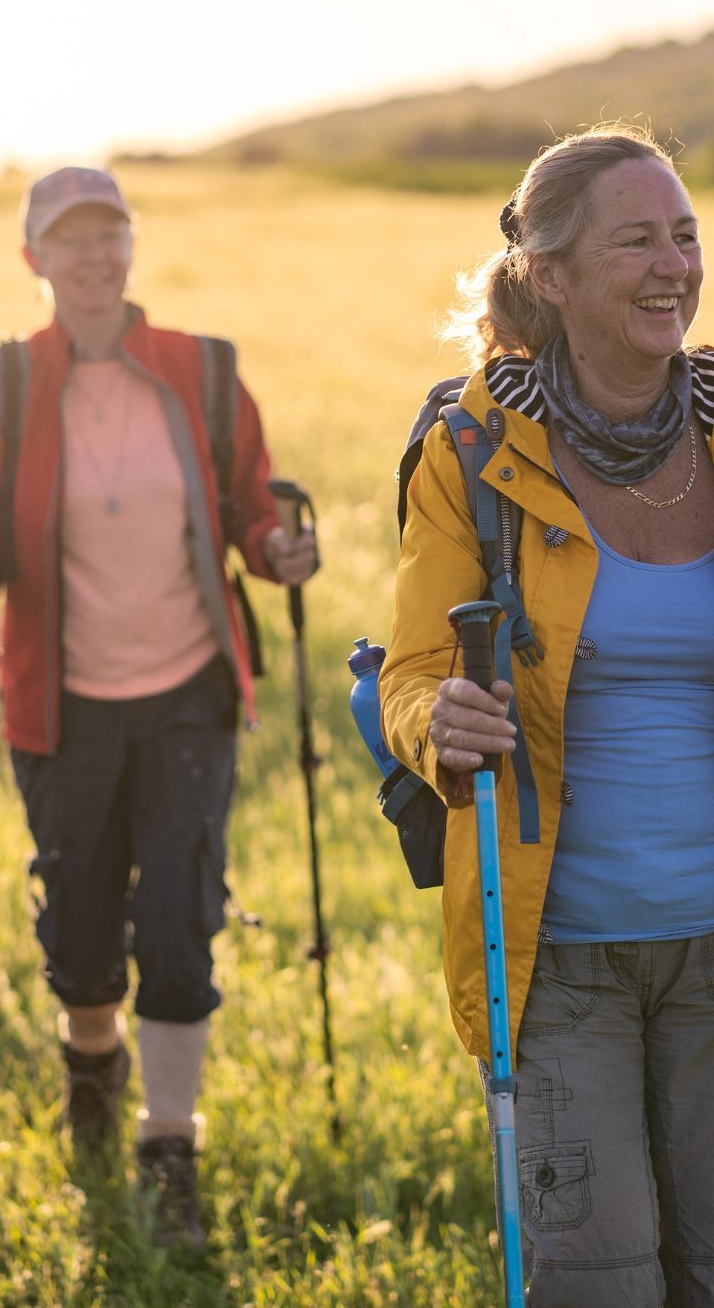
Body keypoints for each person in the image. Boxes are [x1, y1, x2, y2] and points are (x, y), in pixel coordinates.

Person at [0, 165, 317, 1248]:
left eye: (112, 236)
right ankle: (91, 1072)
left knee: (183, 921)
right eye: (69, 241)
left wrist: (278, 548)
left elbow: (252, 505)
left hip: (190, 688)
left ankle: (168, 1145)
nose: (94, 259)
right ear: (33, 260)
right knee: (83, 930)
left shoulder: (200, 369)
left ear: (132, 247)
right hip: (63, 705)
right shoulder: (1, 385)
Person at [379, 123, 714, 1305]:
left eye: (685, 234)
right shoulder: (474, 448)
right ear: (551, 275)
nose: (674, 265)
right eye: (637, 241)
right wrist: (437, 725)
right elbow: (412, 671)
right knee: (599, 1280)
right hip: (556, 950)